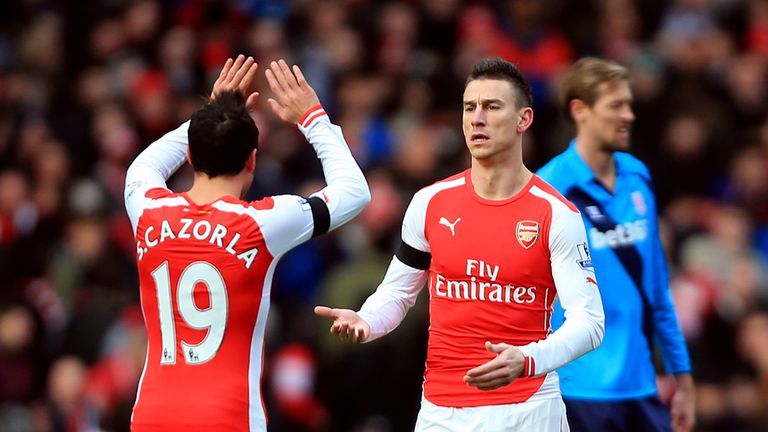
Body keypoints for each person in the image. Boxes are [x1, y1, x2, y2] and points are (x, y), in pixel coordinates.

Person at [315, 57, 605, 431]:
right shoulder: (429, 203)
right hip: (441, 412)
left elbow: (590, 321)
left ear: (524, 120)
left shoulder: (556, 214)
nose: (477, 118)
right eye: (470, 107)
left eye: (492, 106)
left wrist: (529, 359)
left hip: (527, 409)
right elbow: (398, 294)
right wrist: (366, 320)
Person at [123, 55, 370, 430]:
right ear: (252, 160)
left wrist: (212, 111)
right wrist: (313, 117)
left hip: (152, 416)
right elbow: (353, 193)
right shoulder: (262, 224)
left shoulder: (147, 208)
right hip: (230, 416)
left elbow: (145, 165)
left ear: (190, 156)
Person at [536, 57, 695, 432]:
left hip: (640, 386)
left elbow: (656, 286)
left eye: (629, 104)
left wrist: (682, 377)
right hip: (576, 391)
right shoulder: (549, 190)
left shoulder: (638, 177)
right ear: (581, 111)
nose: (629, 115)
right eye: (616, 106)